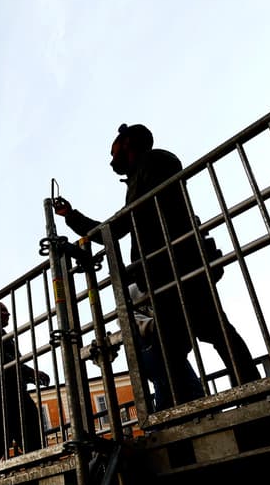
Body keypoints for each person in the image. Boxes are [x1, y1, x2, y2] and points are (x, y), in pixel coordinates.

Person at [54, 123, 259, 409]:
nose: (111, 160)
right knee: (182, 346)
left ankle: (249, 393)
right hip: (166, 269)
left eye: (114, 152)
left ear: (127, 143)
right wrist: (73, 216)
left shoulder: (153, 163)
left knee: (206, 335)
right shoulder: (148, 170)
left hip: (176, 266)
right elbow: (121, 225)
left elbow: (119, 225)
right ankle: (218, 400)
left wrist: (74, 218)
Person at [0, 301, 50, 467]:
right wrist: (31, 373)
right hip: (3, 391)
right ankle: (40, 462)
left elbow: (10, 362)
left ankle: (38, 462)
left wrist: (29, 375)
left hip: (4, 390)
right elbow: (1, 359)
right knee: (22, 430)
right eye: (2, 311)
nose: (8, 314)